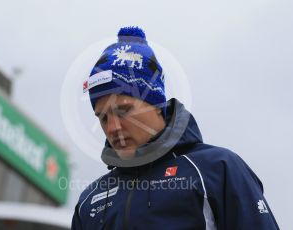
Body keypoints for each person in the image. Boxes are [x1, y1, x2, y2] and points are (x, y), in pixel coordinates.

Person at [71, 26, 279, 230]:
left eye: (124, 110)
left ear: (157, 106)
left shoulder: (217, 169)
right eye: (103, 117)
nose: (112, 127)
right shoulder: (90, 200)